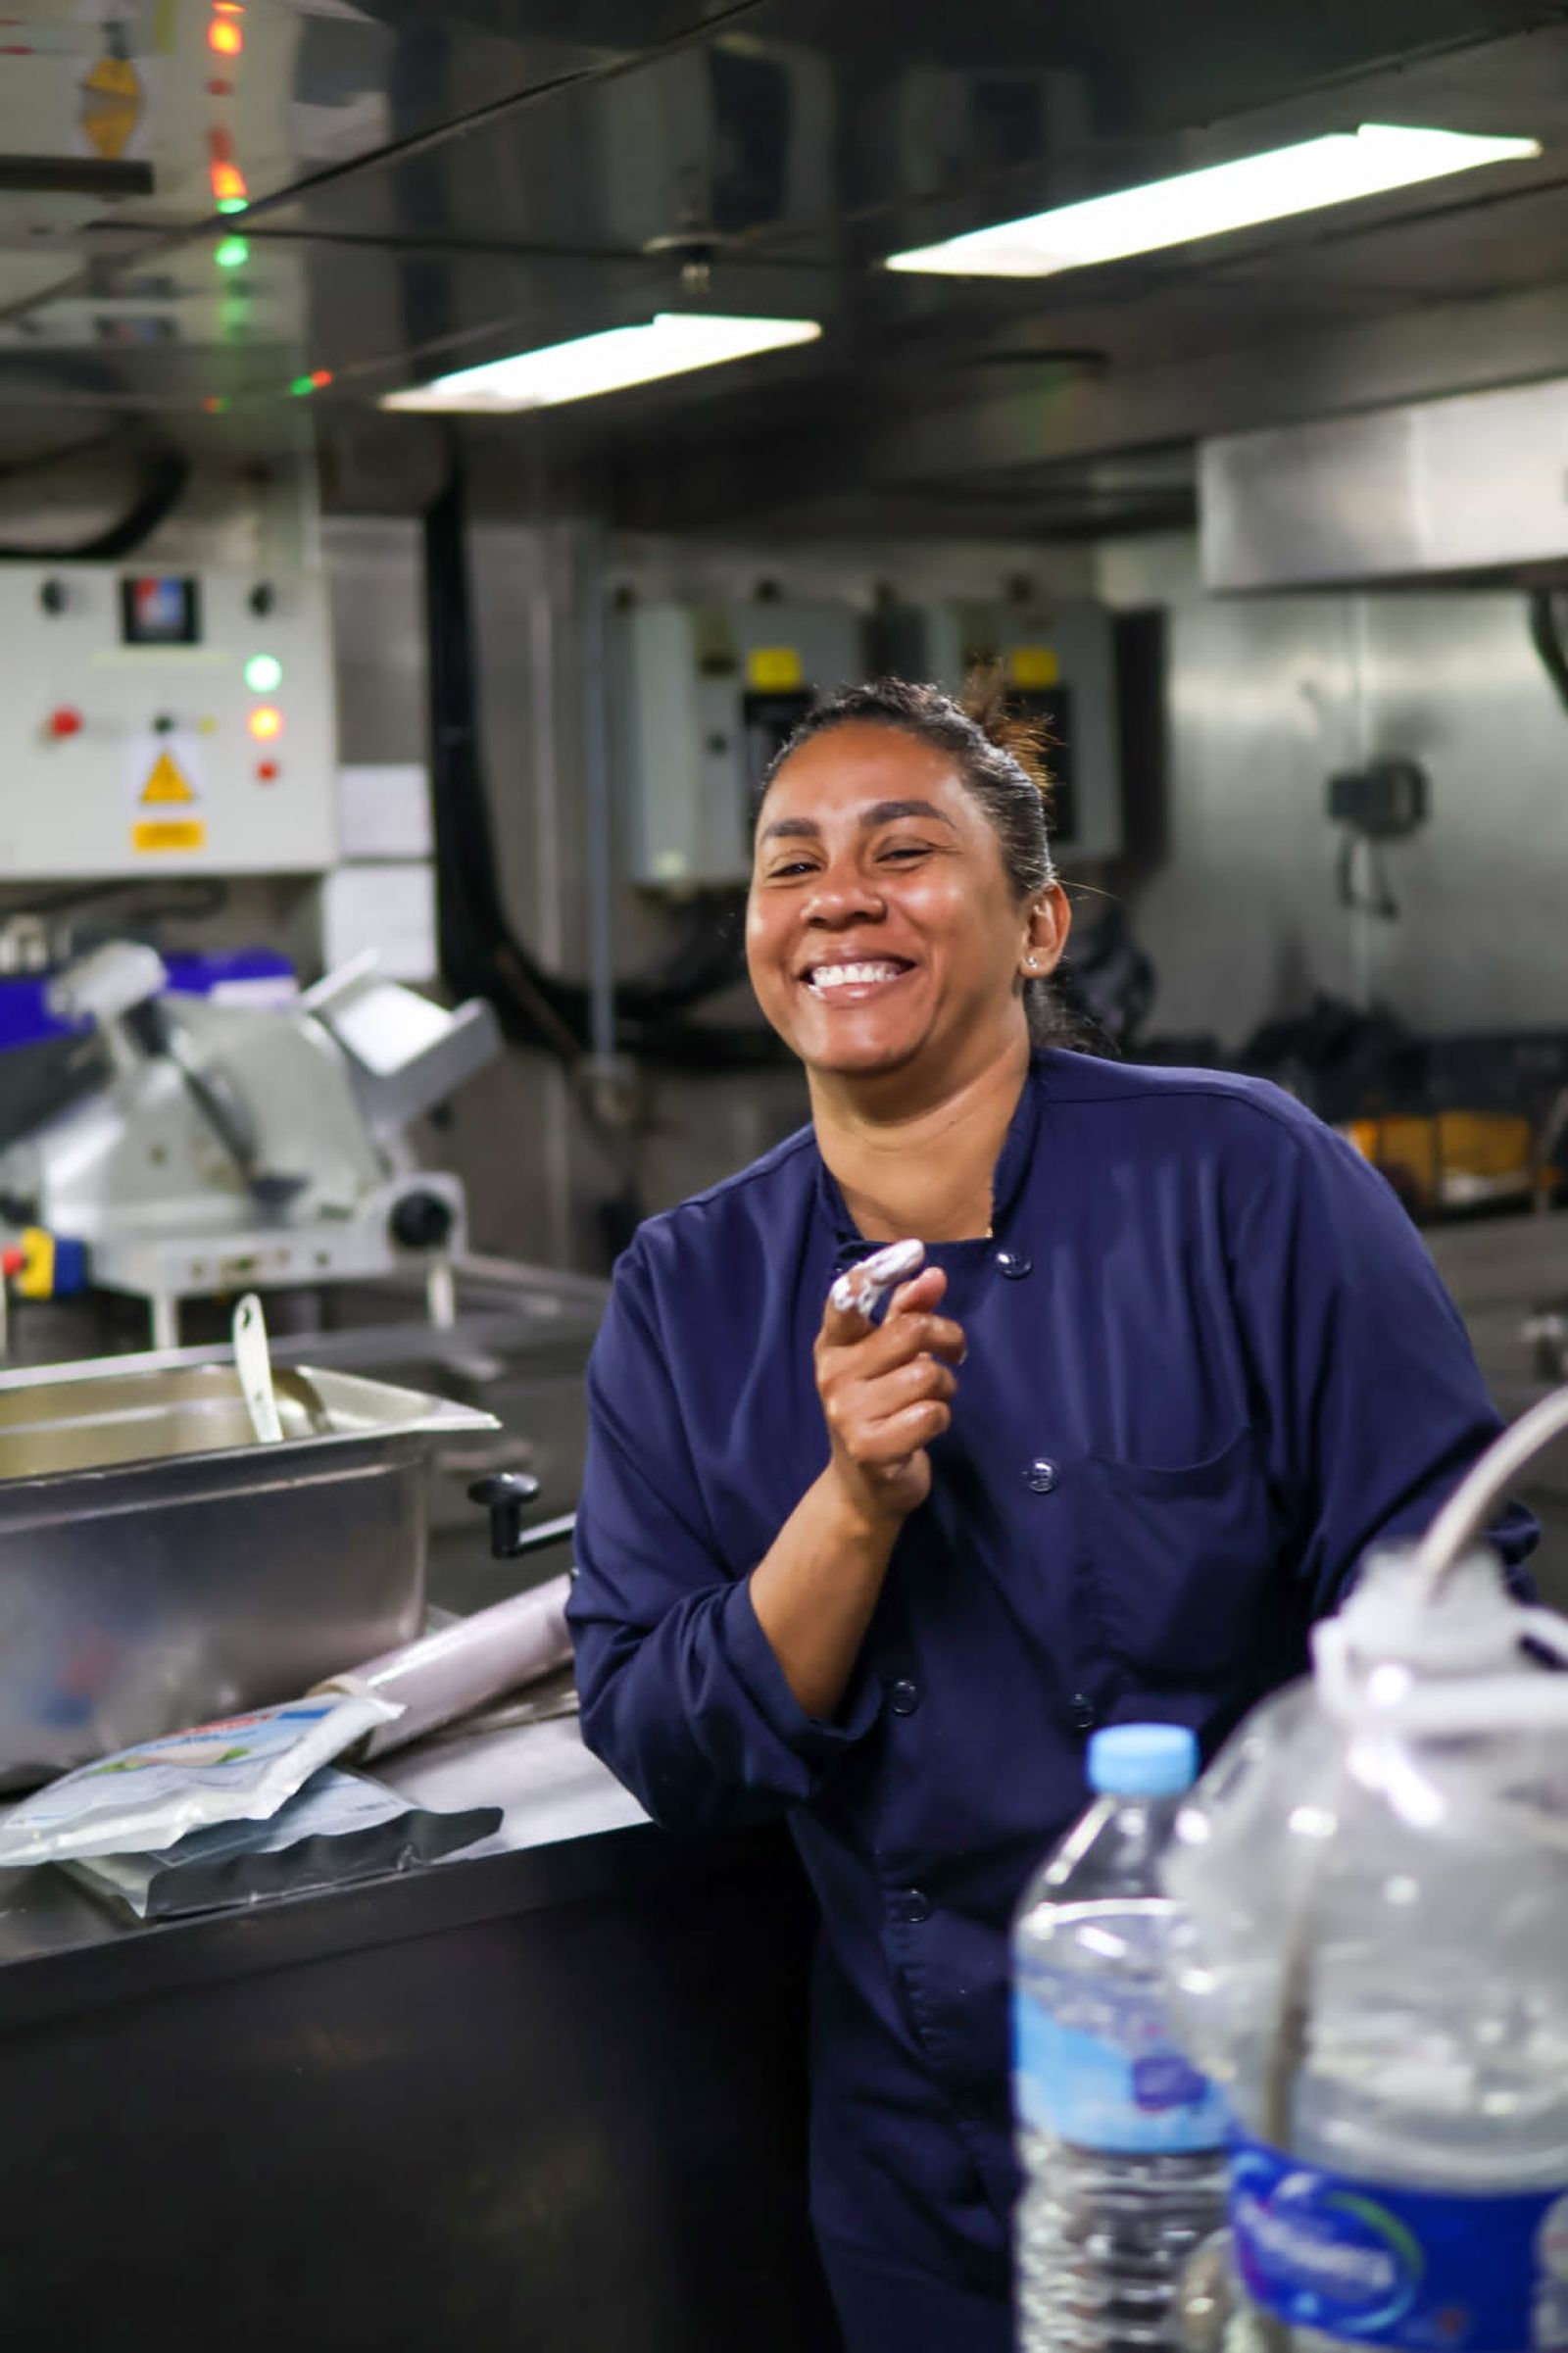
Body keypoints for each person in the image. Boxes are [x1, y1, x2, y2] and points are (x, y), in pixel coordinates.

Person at [566, 676, 1536, 2353]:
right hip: (927, 2155)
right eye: (789, 866)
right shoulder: (688, 1287)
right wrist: (854, 1506)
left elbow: (1441, 1600)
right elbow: (666, 1738)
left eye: (902, 849)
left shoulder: (1247, 1180)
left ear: (1037, 922)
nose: (838, 898)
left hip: (1290, 2113)